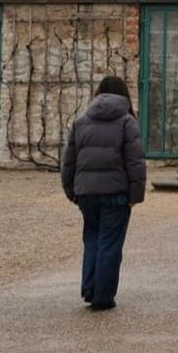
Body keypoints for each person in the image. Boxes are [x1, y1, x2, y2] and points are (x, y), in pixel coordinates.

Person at [60, 76, 146, 311]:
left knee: (92, 240)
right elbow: (135, 163)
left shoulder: (81, 121)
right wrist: (135, 195)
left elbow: (69, 161)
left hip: (86, 193)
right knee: (110, 244)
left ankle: (89, 287)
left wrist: (72, 191)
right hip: (116, 193)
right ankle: (103, 296)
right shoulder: (127, 122)